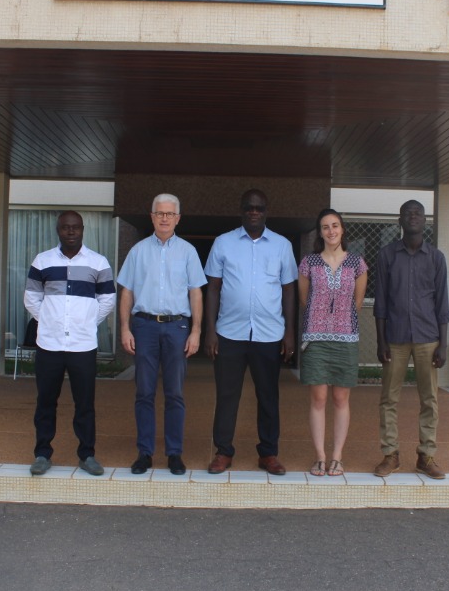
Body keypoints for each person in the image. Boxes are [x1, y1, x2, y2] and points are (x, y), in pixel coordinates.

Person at [203, 189, 298, 476]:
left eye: (258, 208)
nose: (253, 212)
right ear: (241, 211)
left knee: (268, 396)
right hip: (230, 333)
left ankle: (268, 454)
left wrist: (290, 332)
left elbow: (289, 290)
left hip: (269, 335)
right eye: (249, 208)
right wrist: (210, 331)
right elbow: (213, 288)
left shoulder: (282, 246)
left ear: (266, 211)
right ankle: (223, 452)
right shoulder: (223, 243)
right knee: (227, 395)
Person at [117, 193, 206, 476]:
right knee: (144, 391)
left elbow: (196, 292)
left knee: (175, 393)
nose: (164, 218)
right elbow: (127, 291)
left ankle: (174, 453)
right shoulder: (138, 251)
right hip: (144, 327)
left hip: (177, 327)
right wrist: (124, 328)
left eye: (170, 214)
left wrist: (196, 330)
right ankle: (144, 452)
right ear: (152, 216)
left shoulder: (188, 252)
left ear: (178, 218)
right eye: (160, 213)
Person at [24, 210, 116, 477]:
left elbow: (107, 300)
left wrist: (87, 322)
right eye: (66, 227)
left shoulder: (98, 263)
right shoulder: (43, 261)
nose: (71, 232)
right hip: (49, 345)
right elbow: (31, 297)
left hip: (82, 345)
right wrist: (50, 321)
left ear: (83, 229)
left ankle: (87, 455)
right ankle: (42, 453)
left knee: (85, 404)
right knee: (45, 402)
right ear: (58, 230)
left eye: (75, 227)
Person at [373, 200, 449, 479]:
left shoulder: (436, 258)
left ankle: (426, 455)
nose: (413, 217)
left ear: (425, 221)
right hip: (394, 338)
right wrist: (380, 341)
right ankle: (390, 454)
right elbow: (380, 301)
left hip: (428, 338)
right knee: (388, 399)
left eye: (418, 213)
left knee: (429, 399)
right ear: (400, 220)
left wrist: (442, 344)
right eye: (408, 213)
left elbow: (442, 303)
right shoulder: (387, 255)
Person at [297, 209, 367, 477]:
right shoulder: (309, 262)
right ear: (320, 232)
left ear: (342, 229)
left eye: (335, 225)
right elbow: (305, 300)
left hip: (346, 337)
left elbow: (357, 303)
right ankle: (320, 457)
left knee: (340, 397)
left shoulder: (357, 264)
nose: (331, 231)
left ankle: (337, 456)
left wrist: (338, 320)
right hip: (315, 338)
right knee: (318, 397)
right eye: (325, 227)